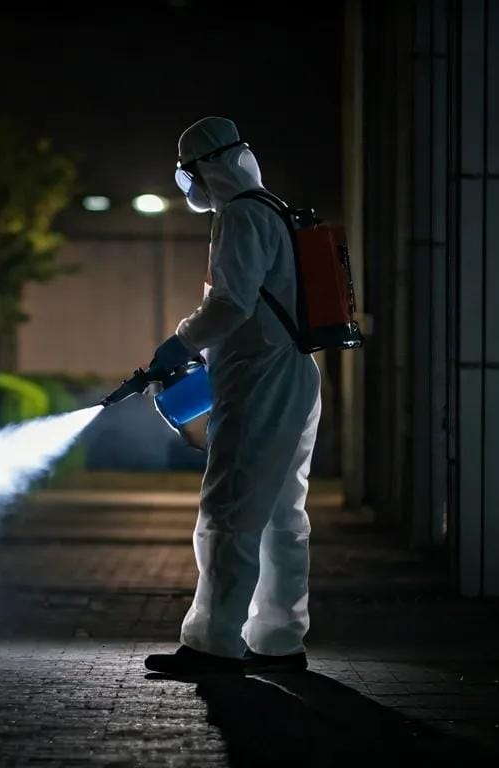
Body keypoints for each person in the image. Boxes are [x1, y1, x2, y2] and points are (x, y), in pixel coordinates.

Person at [143, 117, 322, 675]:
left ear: (208, 168)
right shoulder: (273, 208)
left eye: (188, 174)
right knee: (282, 517)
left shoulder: (240, 215)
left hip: (259, 378)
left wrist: (180, 341)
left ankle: (213, 644)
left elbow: (231, 304)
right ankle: (279, 640)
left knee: (229, 510)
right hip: (293, 371)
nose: (190, 186)